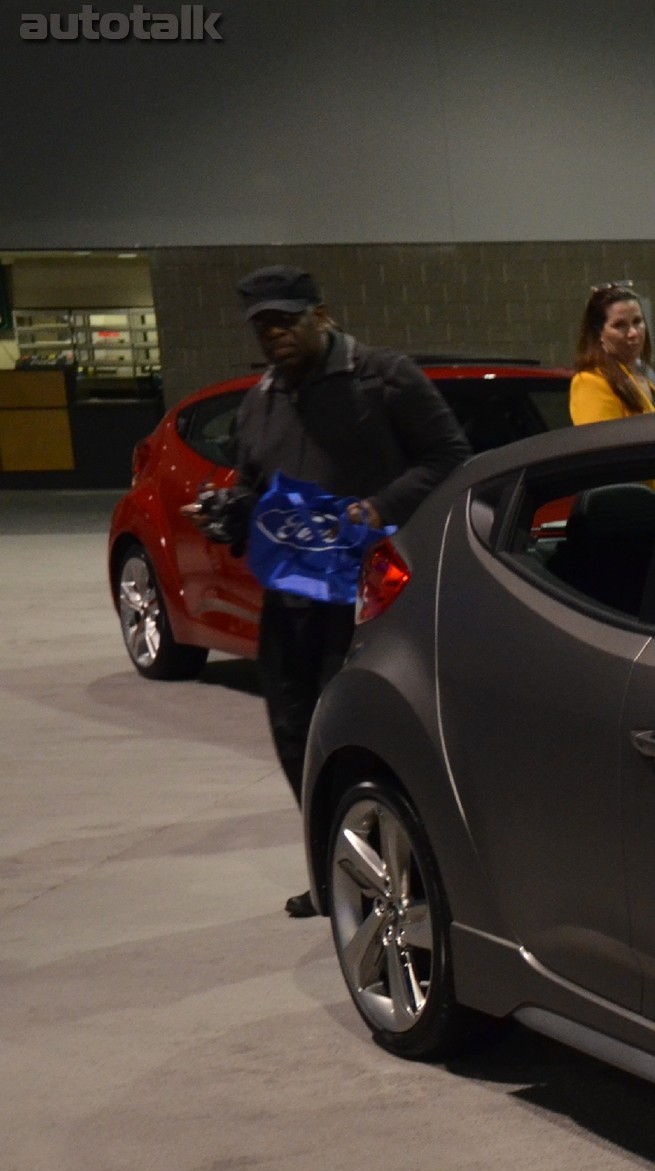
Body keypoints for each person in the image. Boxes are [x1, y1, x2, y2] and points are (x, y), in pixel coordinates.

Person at [183, 265, 470, 917]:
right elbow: (256, 484)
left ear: (322, 314)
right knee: (295, 734)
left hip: (372, 596)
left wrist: (376, 509)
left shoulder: (384, 377)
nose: (275, 332)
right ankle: (335, 872)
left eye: (287, 318)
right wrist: (229, 510)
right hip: (291, 595)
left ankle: (405, 879)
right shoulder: (262, 399)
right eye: (262, 324)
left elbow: (450, 457)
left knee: (367, 736)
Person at [569, 284, 655, 425]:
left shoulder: (647, 374)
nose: (633, 333)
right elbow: (600, 443)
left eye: (637, 321)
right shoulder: (590, 382)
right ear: (598, 334)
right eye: (620, 325)